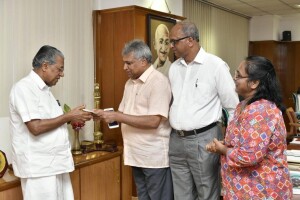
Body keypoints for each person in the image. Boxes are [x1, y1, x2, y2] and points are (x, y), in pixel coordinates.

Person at [9, 45, 93, 200]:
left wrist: (75, 117)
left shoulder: (46, 92)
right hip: (39, 169)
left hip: (55, 164)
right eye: (59, 69)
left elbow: (53, 123)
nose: (62, 74)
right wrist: (68, 116)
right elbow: (35, 127)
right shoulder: (24, 88)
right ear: (45, 66)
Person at [93, 39, 174, 200]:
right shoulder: (129, 83)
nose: (125, 67)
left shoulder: (158, 82)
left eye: (129, 63)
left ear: (143, 61)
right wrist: (105, 115)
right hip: (135, 155)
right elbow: (123, 114)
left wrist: (117, 116)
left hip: (153, 158)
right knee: (143, 197)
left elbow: (154, 121)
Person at [168, 21, 239, 200]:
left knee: (206, 192)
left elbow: (233, 107)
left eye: (174, 41)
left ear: (190, 40)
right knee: (181, 194)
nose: (171, 46)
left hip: (204, 139)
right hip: (176, 139)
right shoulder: (174, 68)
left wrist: (229, 142)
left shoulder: (216, 66)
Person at [206, 56, 293, 199]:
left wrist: (223, 149)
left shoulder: (261, 110)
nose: (234, 78)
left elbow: (249, 156)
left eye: (238, 75)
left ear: (254, 83)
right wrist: (222, 146)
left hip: (262, 190)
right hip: (244, 189)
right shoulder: (244, 105)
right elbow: (243, 141)